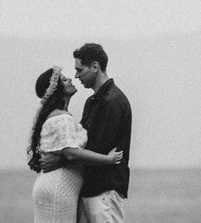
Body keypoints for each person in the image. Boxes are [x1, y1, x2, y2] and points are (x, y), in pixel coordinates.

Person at [42, 42, 133, 222]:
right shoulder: (93, 102)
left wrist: (59, 159)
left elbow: (98, 149)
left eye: (80, 70)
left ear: (95, 67)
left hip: (104, 193)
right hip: (91, 192)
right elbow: (81, 144)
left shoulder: (112, 101)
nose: (76, 75)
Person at [28, 67, 123, 223]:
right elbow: (71, 153)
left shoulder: (57, 116)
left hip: (56, 186)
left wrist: (61, 160)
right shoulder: (62, 118)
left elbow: (65, 153)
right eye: (65, 80)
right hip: (59, 188)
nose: (71, 79)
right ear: (57, 89)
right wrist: (108, 159)